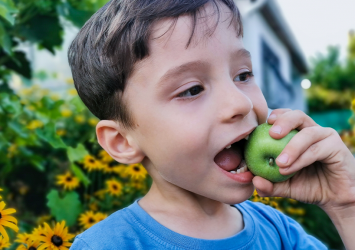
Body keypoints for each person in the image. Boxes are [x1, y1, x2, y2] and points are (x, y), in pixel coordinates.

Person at [68, 0, 355, 249]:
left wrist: (347, 206)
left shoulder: (279, 233)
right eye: (192, 90)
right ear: (123, 141)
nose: (240, 103)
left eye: (243, 74)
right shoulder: (106, 245)